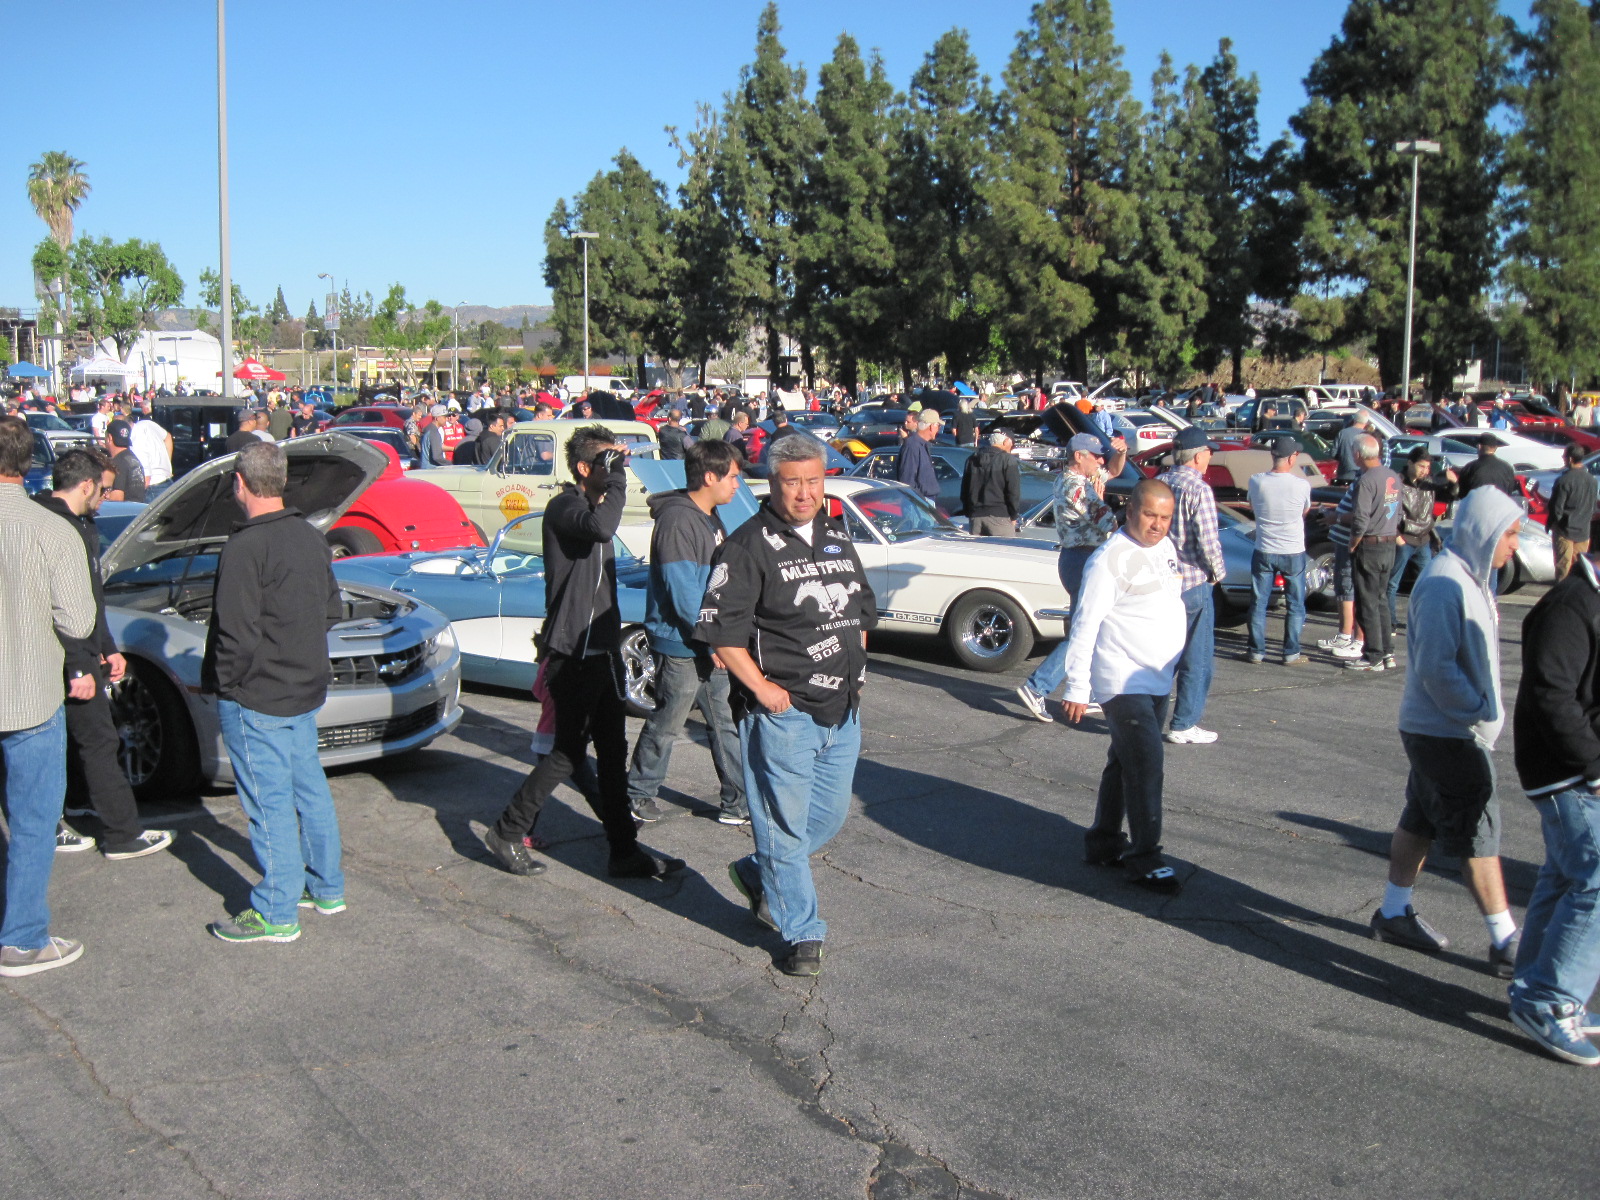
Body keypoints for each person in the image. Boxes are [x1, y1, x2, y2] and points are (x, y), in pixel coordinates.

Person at [699, 436, 876, 977]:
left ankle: (761, 868)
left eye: (814, 480)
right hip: (784, 715)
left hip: (841, 709)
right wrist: (764, 691)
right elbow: (722, 635)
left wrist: (857, 666)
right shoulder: (747, 545)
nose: (805, 492)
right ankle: (802, 933)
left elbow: (859, 613)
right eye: (792, 482)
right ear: (771, 484)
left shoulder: (836, 534)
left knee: (824, 818)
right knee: (782, 823)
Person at [483, 426, 684, 881]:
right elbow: (602, 528)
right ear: (582, 469)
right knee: (567, 753)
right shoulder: (565, 507)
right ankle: (507, 831)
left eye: (618, 462)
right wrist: (614, 479)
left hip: (601, 650)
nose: (616, 473)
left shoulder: (594, 505)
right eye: (606, 463)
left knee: (612, 753)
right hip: (571, 651)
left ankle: (624, 851)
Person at [1368, 487, 1524, 979]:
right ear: (1485, 532)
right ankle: (1505, 941)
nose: (1515, 546)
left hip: (1443, 729)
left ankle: (1393, 913)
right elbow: (1436, 668)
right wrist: (1477, 711)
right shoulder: (1444, 582)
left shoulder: (1471, 578)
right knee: (1479, 828)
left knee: (1422, 819)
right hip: (1447, 731)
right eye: (1511, 535)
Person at [201, 441, 347, 943]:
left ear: (240, 484)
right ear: (281, 482)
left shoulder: (245, 546)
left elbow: (233, 635)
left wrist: (224, 683)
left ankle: (277, 910)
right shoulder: (310, 537)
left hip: (257, 695)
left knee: (269, 804)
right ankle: (326, 887)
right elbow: (332, 610)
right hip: (303, 688)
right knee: (308, 790)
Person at [36, 449, 174, 861]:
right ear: (85, 485)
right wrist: (80, 662)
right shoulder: (60, 529)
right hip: (65, 652)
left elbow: (90, 597)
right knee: (98, 739)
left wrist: (108, 647)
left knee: (71, 740)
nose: (106, 496)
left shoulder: (77, 523)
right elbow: (66, 604)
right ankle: (122, 834)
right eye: (105, 488)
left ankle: (77, 802)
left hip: (76, 649)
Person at [0, 418, 98, 977]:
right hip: (30, 688)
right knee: (35, 821)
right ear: (29, 464)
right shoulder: (49, 530)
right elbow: (79, 619)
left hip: (29, 687)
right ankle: (22, 938)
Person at [1063, 479, 1187, 894]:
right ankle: (1144, 857)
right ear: (1130, 510)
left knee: (1124, 764)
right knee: (1147, 764)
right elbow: (1085, 624)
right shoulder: (1108, 559)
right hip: (1120, 680)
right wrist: (1077, 686)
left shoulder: (1164, 548)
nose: (1157, 525)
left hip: (1156, 678)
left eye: (1165, 517)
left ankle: (1103, 843)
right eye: (1150, 514)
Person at [1509, 543, 1600, 1065]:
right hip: (1564, 771)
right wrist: (1593, 762)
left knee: (1565, 876)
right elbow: (1551, 693)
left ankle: (1532, 985)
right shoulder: (1571, 605)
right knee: (1594, 877)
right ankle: (1549, 998)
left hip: (1575, 766)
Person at [626, 439, 749, 826]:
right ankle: (638, 793)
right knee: (668, 722)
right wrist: (711, 640)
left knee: (723, 722)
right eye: (732, 476)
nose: (738, 484)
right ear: (710, 476)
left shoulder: (710, 516)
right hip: (682, 643)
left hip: (708, 640)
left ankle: (738, 802)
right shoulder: (678, 520)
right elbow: (683, 593)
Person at [1015, 431, 1128, 721]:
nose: (1100, 460)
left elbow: (1114, 470)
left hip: (1078, 557)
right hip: (1082, 558)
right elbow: (1108, 521)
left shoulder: (1076, 478)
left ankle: (1088, 693)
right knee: (1084, 630)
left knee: (1097, 627)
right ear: (1078, 457)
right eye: (1095, 456)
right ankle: (1037, 687)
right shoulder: (1076, 486)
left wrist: (1122, 451)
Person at [1157, 428, 1226, 743]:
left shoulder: (1162, 482)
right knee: (1196, 658)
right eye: (1208, 452)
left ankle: (1150, 716)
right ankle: (1184, 723)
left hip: (1162, 579)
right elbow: (1208, 541)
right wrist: (1217, 573)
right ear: (1198, 455)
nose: (1210, 456)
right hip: (1194, 581)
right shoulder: (1199, 489)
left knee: (1162, 656)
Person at [1244, 436, 1312, 664]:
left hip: (1264, 547)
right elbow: (1304, 512)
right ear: (1292, 457)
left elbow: (1252, 507)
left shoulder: (1256, 481)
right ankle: (1290, 652)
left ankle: (1256, 650)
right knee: (1295, 604)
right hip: (1292, 550)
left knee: (1259, 602)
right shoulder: (1302, 485)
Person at [1342, 434, 1402, 673]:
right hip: (1388, 542)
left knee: (1367, 602)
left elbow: (1360, 518)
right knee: (1381, 600)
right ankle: (1387, 652)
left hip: (1370, 543)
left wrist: (1353, 542)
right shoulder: (1393, 475)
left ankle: (1373, 655)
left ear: (1358, 454)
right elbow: (1397, 513)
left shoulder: (1366, 480)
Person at [1388, 445, 1458, 626]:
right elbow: (1388, 511)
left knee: (1428, 583)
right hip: (1404, 538)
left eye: (1427, 468)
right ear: (1410, 463)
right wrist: (1397, 536)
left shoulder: (1428, 484)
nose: (1424, 471)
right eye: (1421, 466)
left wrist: (1452, 482)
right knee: (1393, 583)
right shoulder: (1398, 482)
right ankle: (1390, 621)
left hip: (1423, 539)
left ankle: (1424, 620)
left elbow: (1451, 496)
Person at [1545, 442, 1597, 582]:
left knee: (1563, 568)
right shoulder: (1592, 480)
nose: (1563, 459)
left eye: (1564, 456)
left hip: (1564, 531)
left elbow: (1556, 508)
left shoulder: (1564, 480)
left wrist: (1553, 524)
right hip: (1583, 531)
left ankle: (1561, 598)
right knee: (1580, 569)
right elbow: (1592, 505)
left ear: (1570, 459)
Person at [960, 430, 1022, 537]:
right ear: (1006, 442)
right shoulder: (1007, 460)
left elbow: (964, 490)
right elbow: (1013, 492)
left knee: (981, 552)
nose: (1012, 447)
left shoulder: (972, 459)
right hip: (1000, 516)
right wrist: (1013, 516)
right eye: (1012, 443)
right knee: (1003, 551)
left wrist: (969, 512)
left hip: (976, 517)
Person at [896, 408, 941, 503]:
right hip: (919, 502)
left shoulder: (923, 445)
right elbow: (907, 480)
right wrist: (919, 503)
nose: (938, 429)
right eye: (938, 425)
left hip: (926, 500)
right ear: (931, 427)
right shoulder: (912, 445)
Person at [1456, 434, 1518, 499]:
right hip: (1500, 507)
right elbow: (1509, 491)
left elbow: (1462, 495)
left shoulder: (1469, 468)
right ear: (1495, 448)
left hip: (1477, 507)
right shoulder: (1507, 468)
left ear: (1479, 446)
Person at [129, 405, 173, 495]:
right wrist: (168, 465)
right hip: (167, 481)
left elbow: (146, 478)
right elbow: (168, 437)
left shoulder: (136, 439)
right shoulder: (147, 423)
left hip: (153, 487)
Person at [103, 419, 146, 502]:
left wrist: (105, 497)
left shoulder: (117, 463)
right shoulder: (133, 459)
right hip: (138, 510)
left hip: (124, 511)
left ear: (109, 438)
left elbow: (117, 498)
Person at [1332, 410, 1374, 484]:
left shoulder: (1342, 433)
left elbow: (1333, 454)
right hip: (1362, 475)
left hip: (1344, 475)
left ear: (1354, 418)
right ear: (1366, 422)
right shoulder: (1367, 436)